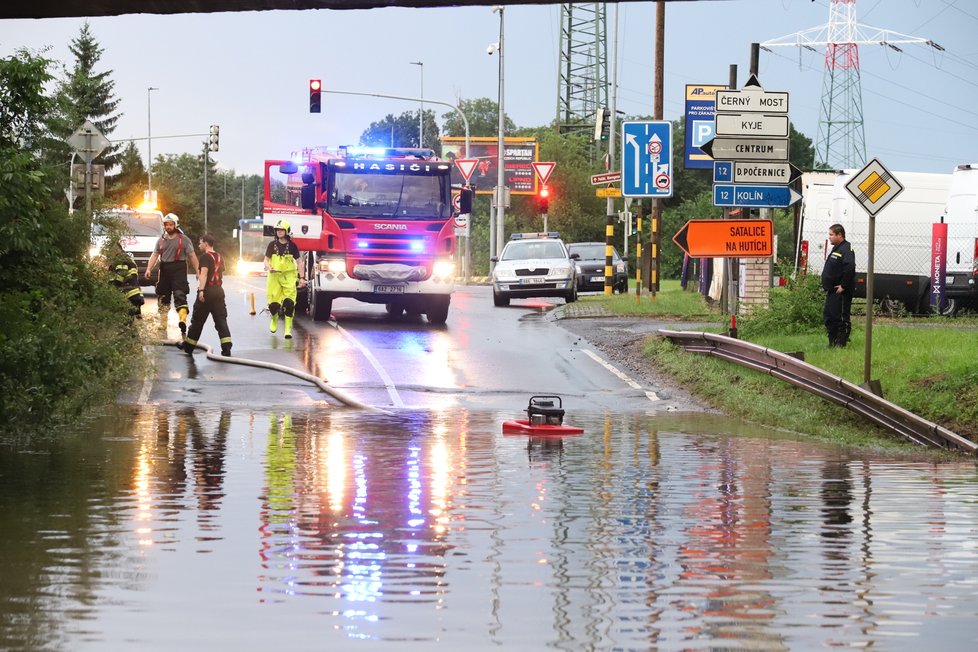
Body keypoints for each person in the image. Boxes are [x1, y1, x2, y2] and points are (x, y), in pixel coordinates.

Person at [145, 213, 199, 338]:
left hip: (179, 269)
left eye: (171, 224)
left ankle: (182, 320)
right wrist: (149, 269)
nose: (168, 227)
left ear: (176, 225)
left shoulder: (184, 240)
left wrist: (198, 271)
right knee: (163, 296)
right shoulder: (161, 240)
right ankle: (163, 323)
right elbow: (155, 255)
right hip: (164, 270)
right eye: (166, 225)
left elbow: (192, 256)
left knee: (180, 294)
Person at [180, 233, 233, 357]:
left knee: (198, 320)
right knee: (221, 320)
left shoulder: (205, 257)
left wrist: (201, 290)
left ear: (206, 243)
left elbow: (203, 274)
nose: (199, 245)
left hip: (207, 291)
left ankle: (188, 346)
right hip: (219, 291)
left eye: (200, 242)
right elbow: (220, 274)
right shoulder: (220, 256)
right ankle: (226, 348)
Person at [263, 219, 306, 338]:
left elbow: (299, 262)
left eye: (281, 229)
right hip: (274, 277)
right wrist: (268, 266)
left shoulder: (292, 246)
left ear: (287, 231)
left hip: (289, 278)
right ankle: (274, 319)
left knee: (289, 303)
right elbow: (266, 259)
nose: (279, 232)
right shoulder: (272, 245)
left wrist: (302, 277)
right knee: (273, 304)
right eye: (277, 230)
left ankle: (288, 329)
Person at [821, 223, 856, 347]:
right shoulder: (837, 248)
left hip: (840, 291)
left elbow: (850, 268)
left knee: (840, 317)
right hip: (831, 291)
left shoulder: (846, 249)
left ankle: (841, 343)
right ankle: (832, 342)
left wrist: (843, 286)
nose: (829, 237)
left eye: (831, 234)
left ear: (839, 235)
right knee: (829, 316)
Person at [108, 240, 144, 320]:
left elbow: (120, 276)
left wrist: (111, 289)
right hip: (135, 294)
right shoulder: (126, 258)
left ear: (117, 249)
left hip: (129, 295)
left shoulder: (120, 259)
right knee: (136, 319)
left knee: (128, 321)